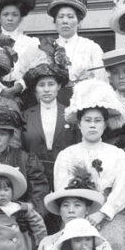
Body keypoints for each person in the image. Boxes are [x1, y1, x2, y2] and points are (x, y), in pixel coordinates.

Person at [54, 80, 125, 250]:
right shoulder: (67, 155)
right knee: (68, 245)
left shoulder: (116, 154)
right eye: (87, 120)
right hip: (75, 213)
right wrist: (77, 217)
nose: (92, 125)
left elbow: (121, 189)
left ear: (105, 125)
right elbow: (62, 189)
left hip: (109, 213)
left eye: (98, 121)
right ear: (79, 124)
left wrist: (103, 214)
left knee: (115, 244)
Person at [22, 52, 78, 190]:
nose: (46, 89)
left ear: (59, 86)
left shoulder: (71, 114)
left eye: (51, 84)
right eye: (41, 85)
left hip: (66, 175)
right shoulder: (26, 116)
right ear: (35, 88)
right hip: (34, 178)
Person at [0, 0, 41, 94]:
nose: (10, 19)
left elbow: (34, 71)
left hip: (25, 95)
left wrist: (19, 87)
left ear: (21, 17)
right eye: (5, 14)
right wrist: (1, 89)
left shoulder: (31, 44)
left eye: (15, 15)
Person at [45, 0, 104, 83]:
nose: (65, 21)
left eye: (70, 16)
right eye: (61, 16)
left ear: (79, 22)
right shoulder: (47, 48)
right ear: (55, 22)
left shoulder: (91, 48)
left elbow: (101, 80)